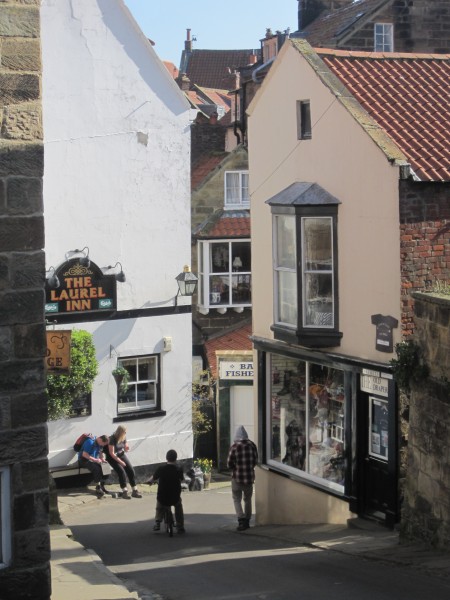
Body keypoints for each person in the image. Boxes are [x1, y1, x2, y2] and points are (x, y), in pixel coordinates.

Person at [227, 425, 258, 531]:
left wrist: (235, 468)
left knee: (236, 499)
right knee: (247, 499)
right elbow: (255, 460)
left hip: (237, 477)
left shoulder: (234, 447)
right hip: (249, 477)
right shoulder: (252, 445)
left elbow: (229, 463)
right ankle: (247, 520)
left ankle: (241, 519)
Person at [147, 449, 185, 534]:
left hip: (163, 497)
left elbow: (153, 478)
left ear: (166, 458)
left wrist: (149, 482)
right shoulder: (179, 469)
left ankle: (157, 522)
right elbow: (182, 479)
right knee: (178, 506)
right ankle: (180, 526)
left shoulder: (161, 468)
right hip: (175, 497)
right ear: (176, 458)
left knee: (159, 505)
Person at [104, 425, 142, 499]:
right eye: (124, 432)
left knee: (131, 470)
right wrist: (121, 462)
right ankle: (124, 492)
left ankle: (134, 491)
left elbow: (125, 446)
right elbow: (111, 453)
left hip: (121, 455)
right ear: (120, 432)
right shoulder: (112, 439)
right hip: (112, 458)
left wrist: (126, 448)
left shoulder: (123, 437)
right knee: (122, 472)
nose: (125, 433)